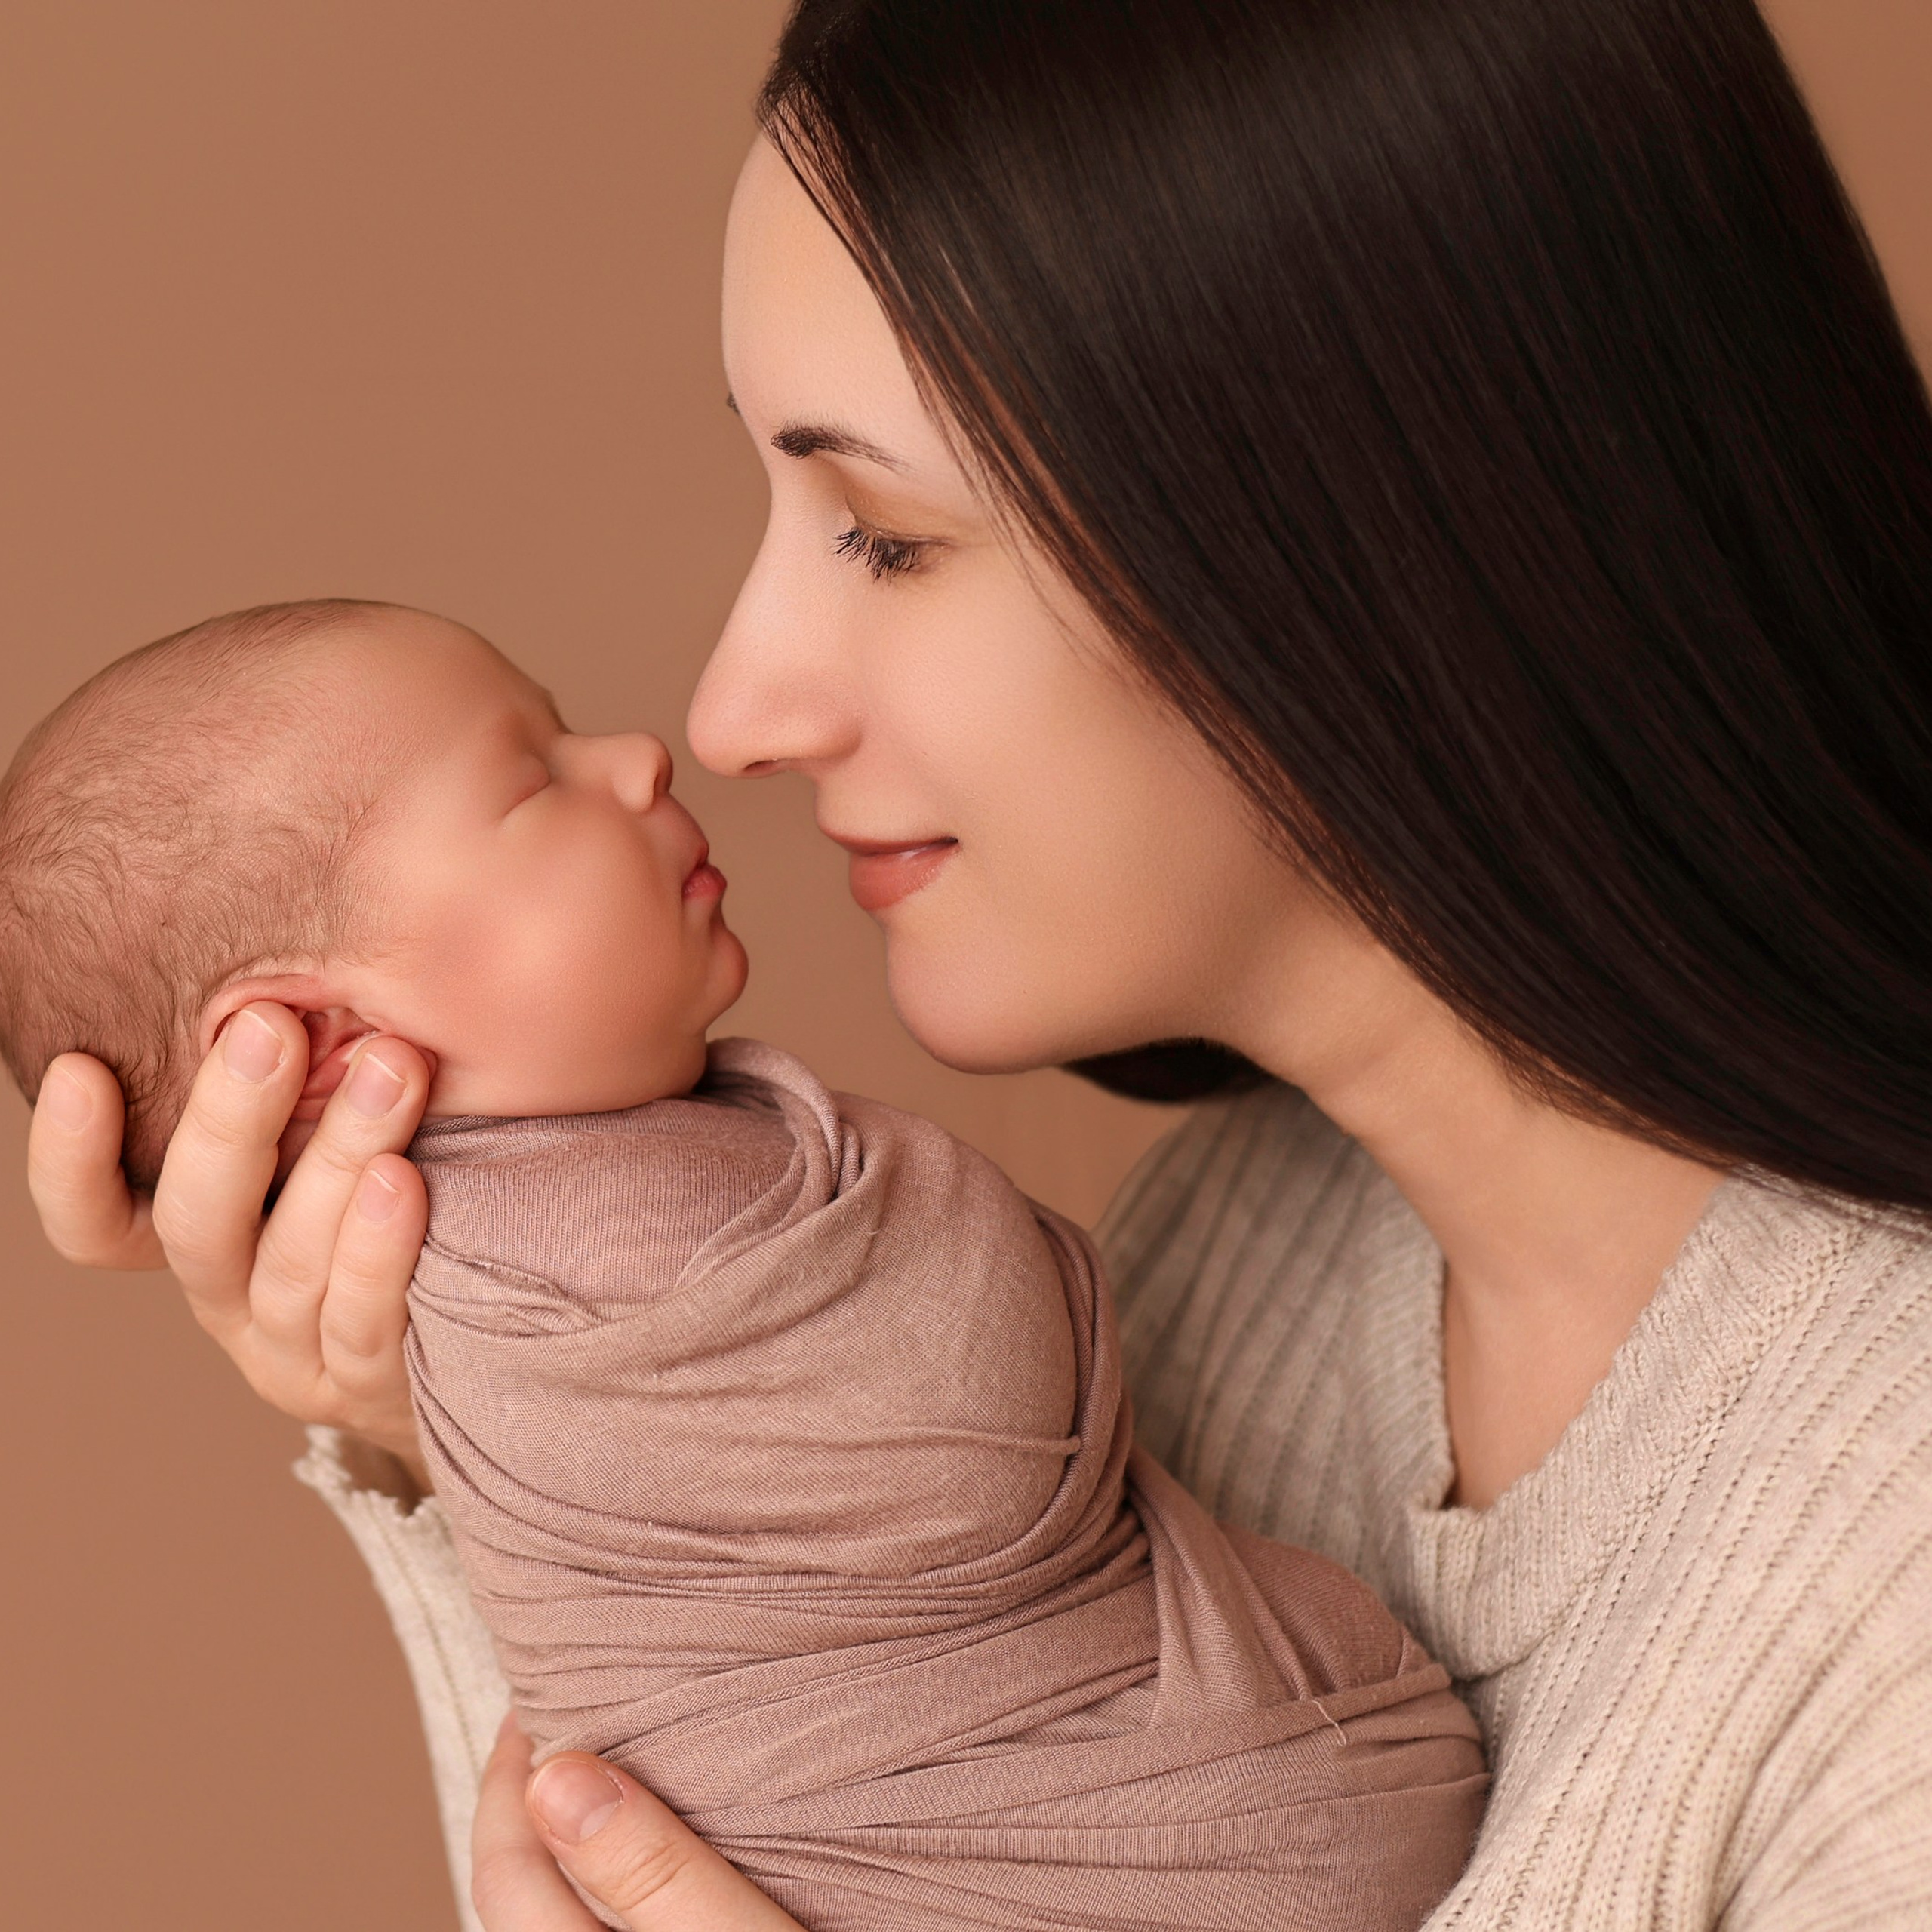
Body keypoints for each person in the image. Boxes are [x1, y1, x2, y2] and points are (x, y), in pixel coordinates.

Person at [23, 0, 1932, 1927]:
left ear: (1370, 532)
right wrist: (452, 1410)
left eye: (883, 533)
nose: (732, 709)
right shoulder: (1236, 1255)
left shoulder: (1887, 1618)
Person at [0, 598, 1483, 1929]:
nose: (646, 753)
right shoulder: (528, 1267)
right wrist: (413, 1428)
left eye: (895, 546)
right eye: (535, 779)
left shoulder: (626, 1215)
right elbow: (969, 1446)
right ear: (319, 1044)